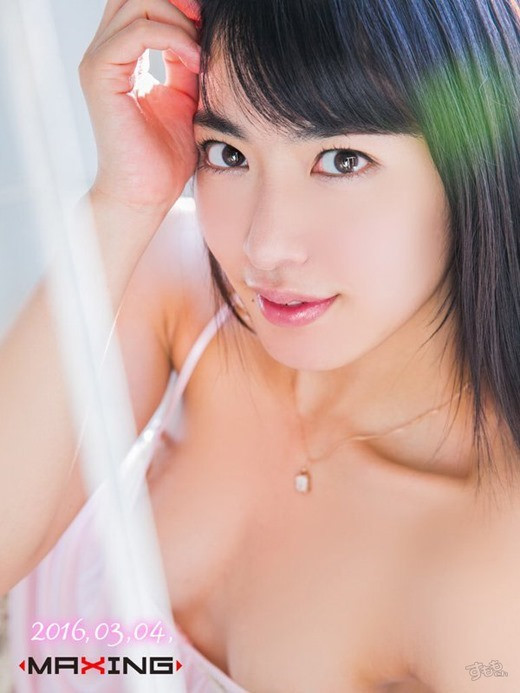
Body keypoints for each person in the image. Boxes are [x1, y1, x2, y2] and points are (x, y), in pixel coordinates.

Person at [2, 0, 520, 690]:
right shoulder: (180, 290)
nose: (264, 246)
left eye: (342, 160)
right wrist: (122, 201)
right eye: (228, 153)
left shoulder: (488, 569)